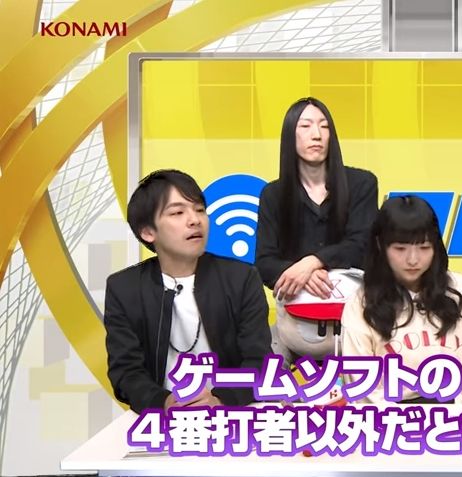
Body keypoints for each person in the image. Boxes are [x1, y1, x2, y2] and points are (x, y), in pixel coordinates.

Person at [104, 169, 272, 413]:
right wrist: (164, 402)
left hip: (232, 413)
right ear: (148, 231)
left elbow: (260, 362)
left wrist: (220, 399)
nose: (195, 220)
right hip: (162, 418)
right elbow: (126, 372)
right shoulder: (124, 288)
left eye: (200, 210)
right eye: (177, 212)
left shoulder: (241, 278)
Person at [254, 97, 378, 361]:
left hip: (356, 322)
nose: (316, 135)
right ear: (290, 135)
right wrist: (301, 274)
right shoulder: (273, 195)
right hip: (295, 324)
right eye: (306, 126)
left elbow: (362, 245)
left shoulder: (362, 184)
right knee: (266, 370)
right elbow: (264, 262)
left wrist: (313, 262)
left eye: (324, 126)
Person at [342, 196, 462, 404]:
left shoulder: (461, 290)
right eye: (400, 249)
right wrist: (409, 419)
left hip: (458, 412)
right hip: (391, 417)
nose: (413, 259)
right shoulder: (361, 304)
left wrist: (452, 412)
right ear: (380, 245)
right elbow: (362, 390)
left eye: (424, 248)